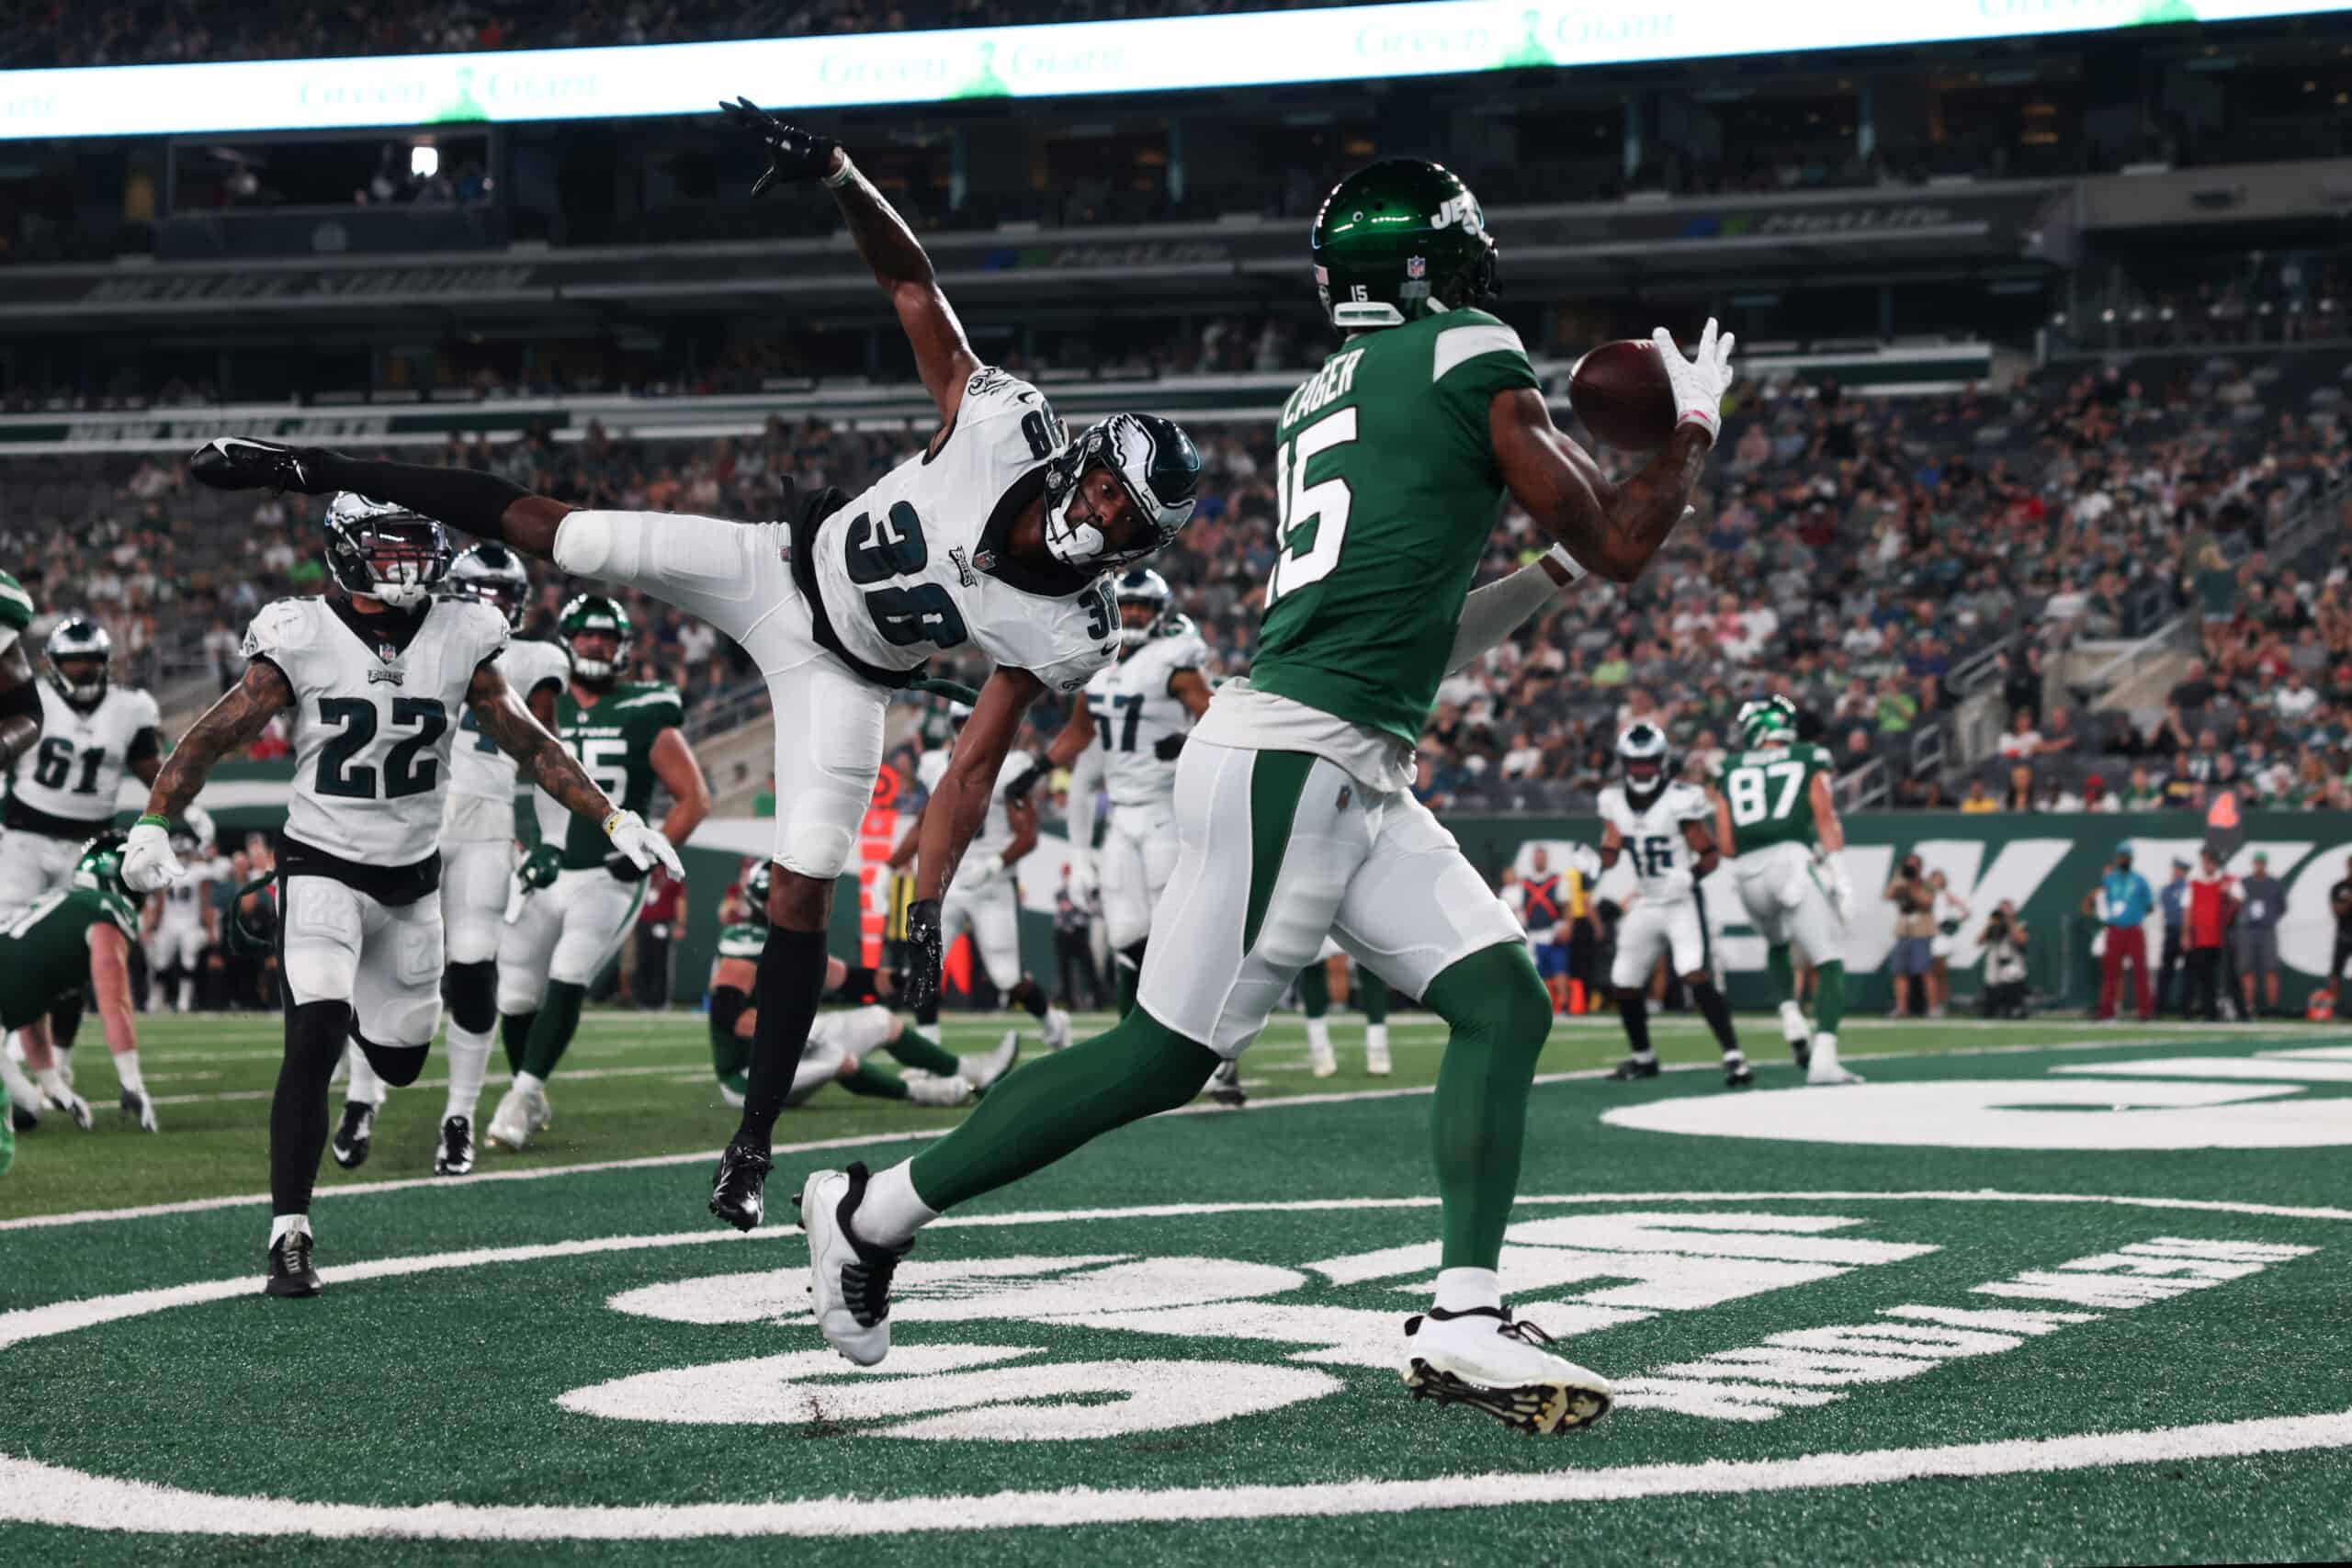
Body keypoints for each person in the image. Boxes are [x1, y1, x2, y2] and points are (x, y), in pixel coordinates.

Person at [792, 157, 1734, 1436]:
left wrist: (1548, 574)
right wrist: (1690, 432)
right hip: (1303, 753)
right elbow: (1628, 543)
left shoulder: (1320, 398)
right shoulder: (1472, 348)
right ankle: (873, 1210)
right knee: (1162, 1055)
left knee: (1503, 1000)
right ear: (1433, 267)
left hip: (1339, 750)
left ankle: (1464, 1309)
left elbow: (1422, 628)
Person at [188, 104, 1202, 1235]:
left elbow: (967, 773)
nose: (1101, 518)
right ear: (1086, 461)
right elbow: (916, 293)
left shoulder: (1072, 632)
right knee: (567, 537)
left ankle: (753, 1146)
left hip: (849, 678)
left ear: (1137, 545)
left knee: (808, 872)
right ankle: (303, 464)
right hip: (774, 568)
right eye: (1108, 488)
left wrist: (920, 910)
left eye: (1126, 521)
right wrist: (839, 174)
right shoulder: (1003, 424)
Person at [119, 492, 684, 1296]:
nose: (408, 562)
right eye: (389, 548)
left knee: (403, 1057)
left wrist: (614, 815)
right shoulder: (302, 633)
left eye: (417, 545)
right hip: (321, 863)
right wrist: (153, 819)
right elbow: (215, 732)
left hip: (414, 883)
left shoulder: (462, 633)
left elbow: (531, 741)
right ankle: (289, 1231)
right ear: (347, 552)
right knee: (312, 1038)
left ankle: (344, 997)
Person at [477, 594, 709, 1155]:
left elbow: (693, 799)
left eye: (606, 636)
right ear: (568, 641)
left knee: (570, 968)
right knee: (514, 994)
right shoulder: (533, 700)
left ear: (623, 646)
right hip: (547, 867)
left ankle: (524, 1093)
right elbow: (488, 778)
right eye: (586, 635)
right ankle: (527, 1093)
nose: (596, 644)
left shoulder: (645, 707)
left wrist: (642, 854)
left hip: (609, 875)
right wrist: (513, 845)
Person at [429, 542, 569, 1175]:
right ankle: (365, 1089)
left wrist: (554, 840)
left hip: (485, 819)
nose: (491, 607)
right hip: (414, 817)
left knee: (473, 968)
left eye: (502, 595)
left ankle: (459, 1111)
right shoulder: (417, 639)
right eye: (479, 592)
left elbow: (546, 758)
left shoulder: (537, 658)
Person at [1026, 568, 1213, 1017]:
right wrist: (1034, 770)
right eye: (1126, 604)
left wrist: (1190, 741)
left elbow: (1217, 715)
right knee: (1124, 932)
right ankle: (1134, 1033)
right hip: (1121, 817)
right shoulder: (1097, 663)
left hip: (1166, 811)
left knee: (1172, 928)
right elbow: (1077, 733)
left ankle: (1200, 1034)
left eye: (1140, 606)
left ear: (1157, 612)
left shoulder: (1176, 660)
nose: (1131, 613)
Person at [0, 616, 175, 1087]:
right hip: (23, 840)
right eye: (73, 661)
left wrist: (183, 812)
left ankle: (61, 1059)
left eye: (91, 660)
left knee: (72, 958)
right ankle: (9, 1053)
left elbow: (153, 772)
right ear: (52, 665)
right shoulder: (29, 697)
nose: (82, 670)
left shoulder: (131, 707)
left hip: (88, 847)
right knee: (6, 944)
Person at [707, 862, 1017, 1111]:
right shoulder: (745, 942)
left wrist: (906, 977)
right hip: (748, 1076)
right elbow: (726, 1014)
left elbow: (852, 981)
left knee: (882, 1021)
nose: (800, 901)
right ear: (766, 904)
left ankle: (972, 1071)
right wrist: (792, 1033)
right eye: (790, 896)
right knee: (839, 1058)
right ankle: (920, 1091)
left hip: (792, 1042)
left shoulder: (792, 940)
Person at [893, 705, 1073, 1045]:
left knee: (1006, 978)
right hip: (947, 885)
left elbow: (1028, 836)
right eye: (962, 724)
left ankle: (1052, 1022)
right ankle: (932, 1056)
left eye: (973, 722)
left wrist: (993, 865)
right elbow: (924, 824)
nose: (968, 730)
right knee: (925, 966)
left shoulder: (1011, 768)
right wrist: (890, 866)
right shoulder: (935, 766)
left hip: (991, 884)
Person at [1719, 695, 1860, 1083]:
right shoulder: (1807, 756)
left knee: (1778, 943)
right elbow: (1826, 819)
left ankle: (1790, 1015)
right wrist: (1842, 878)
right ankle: (1825, 1060)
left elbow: (1727, 844)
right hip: (1790, 865)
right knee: (1829, 961)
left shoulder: (1728, 767)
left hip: (1746, 875)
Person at [1599, 723, 1746, 1088]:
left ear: (1661, 762)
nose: (1642, 771)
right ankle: (1643, 1058)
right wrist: (1596, 861)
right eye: (1636, 765)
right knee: (1624, 981)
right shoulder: (1613, 801)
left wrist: (1691, 875)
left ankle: (1734, 1057)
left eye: (1648, 764)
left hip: (1680, 900)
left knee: (1693, 973)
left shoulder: (1682, 797)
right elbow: (1612, 848)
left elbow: (1710, 855)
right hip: (1647, 900)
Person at [0, 835, 157, 1165]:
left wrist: (53, 1085)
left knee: (28, 1108)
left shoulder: (57, 906)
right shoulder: (106, 911)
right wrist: (131, 1081)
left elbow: (32, 1008)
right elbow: (115, 1000)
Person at [2083, 848, 2154, 1021]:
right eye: (2122, 857)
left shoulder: (2139, 880)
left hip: (2133, 928)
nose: (2124, 860)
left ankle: (2145, 1011)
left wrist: (2134, 914)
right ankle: (2106, 1011)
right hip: (2114, 929)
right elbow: (2100, 904)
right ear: (2118, 858)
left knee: (2140, 971)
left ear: (2131, 859)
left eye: (2127, 857)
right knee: (2110, 972)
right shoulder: (2109, 880)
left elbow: (2149, 905)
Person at [2182, 847, 2235, 1023]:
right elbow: (2188, 909)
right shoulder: (2194, 880)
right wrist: (2186, 933)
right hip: (2199, 935)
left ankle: (2213, 1011)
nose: (2207, 864)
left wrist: (2227, 894)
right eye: (2205, 860)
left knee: (2215, 975)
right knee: (2196, 974)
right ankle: (2189, 1010)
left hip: (2219, 935)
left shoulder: (2224, 881)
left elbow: (2237, 903)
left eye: (2210, 860)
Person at [1516, 847, 1569, 1013]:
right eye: (1537, 858)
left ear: (1546, 860)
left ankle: (1565, 1004)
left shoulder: (1556, 880)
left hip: (1552, 931)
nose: (1539, 861)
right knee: (1538, 972)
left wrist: (1565, 926)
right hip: (1532, 933)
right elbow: (1521, 909)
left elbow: (1565, 906)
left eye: (1542, 858)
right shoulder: (1524, 883)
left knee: (1559, 969)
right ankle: (1545, 1006)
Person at [1883, 854, 1934, 1020]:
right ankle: (1901, 1008)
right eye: (1907, 866)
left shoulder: (1926, 884)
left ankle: (1933, 1008)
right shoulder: (1900, 883)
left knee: (1924, 971)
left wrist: (1912, 886)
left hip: (1922, 931)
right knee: (1899, 972)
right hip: (1903, 931)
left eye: (1913, 866)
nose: (1910, 869)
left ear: (1920, 868)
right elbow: (1887, 896)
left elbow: (1926, 903)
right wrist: (1899, 878)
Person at [2236, 850, 2285, 1020]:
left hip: (2266, 929)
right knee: (2246, 968)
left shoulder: (2274, 884)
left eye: (2262, 863)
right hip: (2247, 929)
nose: (2259, 866)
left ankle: (2272, 1007)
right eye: (2257, 862)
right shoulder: (2244, 882)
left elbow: (2282, 907)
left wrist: (2270, 917)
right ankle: (2249, 1006)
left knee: (2270, 968)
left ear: (2266, 864)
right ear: (2253, 864)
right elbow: (2236, 903)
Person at [1051, 864, 1105, 1011]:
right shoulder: (1061, 890)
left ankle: (1098, 1001)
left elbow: (1093, 908)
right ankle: (1069, 1003)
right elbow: (1064, 906)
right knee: (1065, 970)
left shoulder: (1086, 890)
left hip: (1079, 932)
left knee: (1089, 968)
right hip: (1063, 933)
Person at [1925, 869, 1969, 1019]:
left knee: (1939, 972)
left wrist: (1951, 924)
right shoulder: (1924, 895)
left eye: (1939, 879)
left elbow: (1966, 911)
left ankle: (1941, 1005)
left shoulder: (1945, 895)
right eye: (1933, 879)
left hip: (1940, 939)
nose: (1936, 882)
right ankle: (1932, 1006)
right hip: (1925, 936)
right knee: (1929, 973)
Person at [1977, 900, 2030, 1018]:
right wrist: (1991, 923)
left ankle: (2014, 1009)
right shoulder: (1993, 926)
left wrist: (2009, 921)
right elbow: (1978, 941)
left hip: (2012, 963)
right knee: (1991, 993)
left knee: (2013, 988)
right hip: (1994, 965)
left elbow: (2021, 940)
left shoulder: (2018, 924)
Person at [2157, 857, 2190, 1016]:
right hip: (2173, 931)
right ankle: (2162, 1006)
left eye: (2179, 870)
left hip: (2183, 931)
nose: (2176, 872)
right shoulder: (2168, 889)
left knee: (2187, 971)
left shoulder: (2188, 888)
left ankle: (2184, 1007)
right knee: (2167, 971)